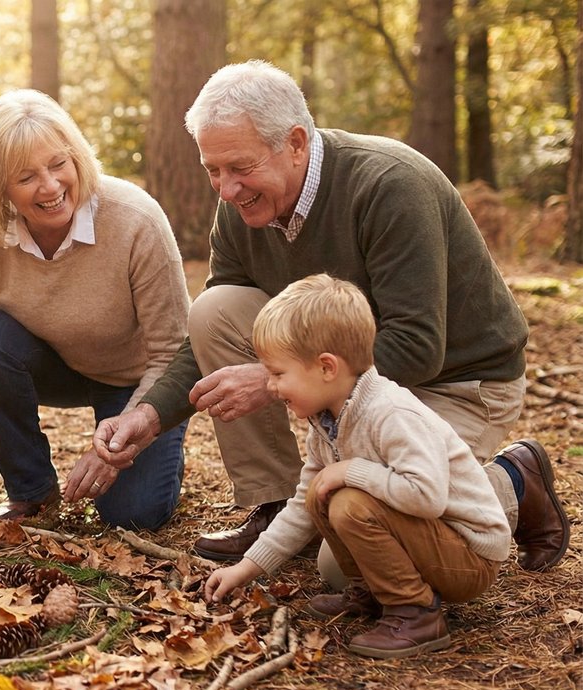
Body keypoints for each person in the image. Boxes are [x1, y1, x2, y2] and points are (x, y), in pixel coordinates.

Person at [95, 60, 569, 572]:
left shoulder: (389, 186)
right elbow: (211, 335)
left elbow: (416, 346)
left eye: (240, 167)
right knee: (216, 309)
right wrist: (148, 416)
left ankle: (514, 483)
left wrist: (271, 380)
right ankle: (278, 505)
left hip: (458, 381)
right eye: (213, 169)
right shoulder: (241, 207)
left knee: (343, 567)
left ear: (295, 142)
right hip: (349, 381)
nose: (226, 189)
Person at [0, 89, 192, 530]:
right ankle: (31, 491)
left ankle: (162, 452)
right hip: (53, 365)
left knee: (132, 517)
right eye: (26, 177)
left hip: (136, 380)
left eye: (59, 164)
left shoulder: (136, 220)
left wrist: (129, 438)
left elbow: (173, 355)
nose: (51, 186)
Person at [205, 275, 509, 658]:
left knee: (348, 501)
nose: (270, 387)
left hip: (469, 557)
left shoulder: (391, 413)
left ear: (327, 368)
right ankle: (372, 592)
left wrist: (350, 471)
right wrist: (247, 568)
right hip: (433, 542)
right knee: (319, 494)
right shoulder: (327, 421)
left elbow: (427, 498)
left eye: (279, 374)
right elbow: (301, 507)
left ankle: (415, 614)